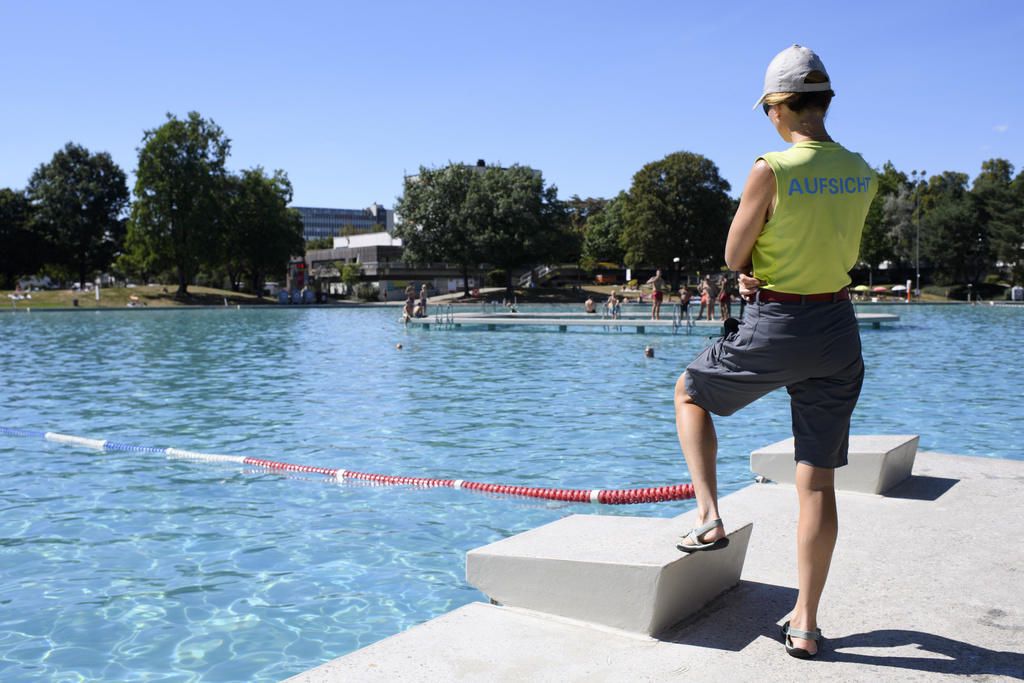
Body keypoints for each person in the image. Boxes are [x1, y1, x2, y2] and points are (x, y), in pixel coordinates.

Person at [673, 45, 876, 660]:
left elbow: (736, 254)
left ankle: (709, 515)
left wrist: (749, 269)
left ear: (781, 107)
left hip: (778, 322)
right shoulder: (862, 170)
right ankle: (806, 624)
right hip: (837, 330)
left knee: (689, 392)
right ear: (825, 102)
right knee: (817, 484)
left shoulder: (772, 168)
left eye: (767, 109)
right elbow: (827, 242)